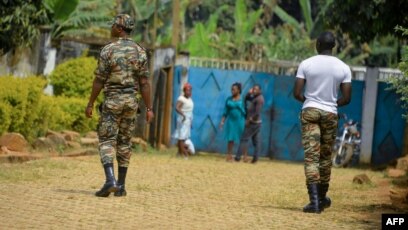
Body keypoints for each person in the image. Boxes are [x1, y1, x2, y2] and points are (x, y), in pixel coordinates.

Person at [85, 14, 154, 197]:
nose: (111, 28)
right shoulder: (140, 51)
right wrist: (149, 108)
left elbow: (99, 80)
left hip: (112, 102)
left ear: (119, 28)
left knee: (107, 140)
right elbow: (145, 83)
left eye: (113, 25)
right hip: (131, 103)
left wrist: (91, 103)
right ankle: (121, 186)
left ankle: (110, 180)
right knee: (124, 142)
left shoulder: (108, 50)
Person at [294, 31, 352, 213]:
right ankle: (322, 198)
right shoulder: (344, 68)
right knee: (325, 157)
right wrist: (332, 103)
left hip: (310, 110)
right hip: (330, 114)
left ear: (318, 44)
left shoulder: (306, 64)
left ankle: (314, 202)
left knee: (312, 156)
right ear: (333, 46)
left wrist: (310, 102)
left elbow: (296, 93)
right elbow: (347, 98)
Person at [234, 84, 264, 164]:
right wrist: (248, 93)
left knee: (244, 139)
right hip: (256, 123)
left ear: (260, 91)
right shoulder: (255, 97)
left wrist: (249, 120)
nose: (254, 91)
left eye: (256, 89)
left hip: (253, 123)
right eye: (253, 89)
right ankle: (255, 159)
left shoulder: (259, 99)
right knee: (256, 141)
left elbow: (257, 112)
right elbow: (246, 98)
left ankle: (237, 157)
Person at [219, 82, 246, 162]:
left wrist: (247, 120)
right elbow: (225, 111)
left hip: (240, 121)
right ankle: (229, 155)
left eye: (234, 89)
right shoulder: (229, 99)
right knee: (230, 138)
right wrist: (222, 122)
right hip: (231, 121)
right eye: (231, 89)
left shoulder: (242, 100)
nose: (232, 91)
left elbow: (245, 111)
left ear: (238, 90)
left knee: (243, 138)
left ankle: (245, 156)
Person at [174, 83, 194, 159]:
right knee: (181, 138)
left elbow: (190, 111)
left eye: (190, 90)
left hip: (188, 120)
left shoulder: (190, 99)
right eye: (187, 90)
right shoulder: (181, 99)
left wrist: (191, 121)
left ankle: (179, 153)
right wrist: (183, 114)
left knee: (183, 137)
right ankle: (185, 154)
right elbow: (177, 107)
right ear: (184, 91)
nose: (189, 92)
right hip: (183, 120)